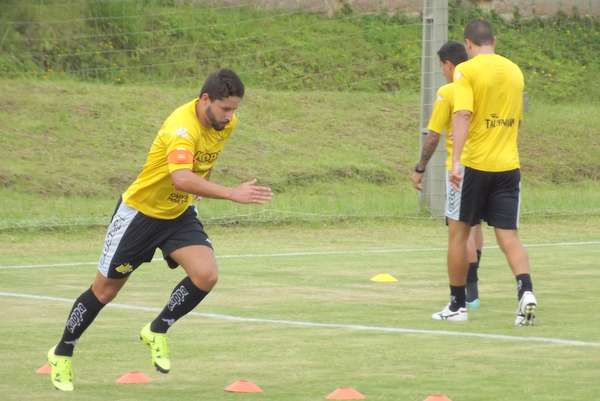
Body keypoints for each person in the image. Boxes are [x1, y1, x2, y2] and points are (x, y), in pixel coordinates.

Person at [47, 69, 273, 391]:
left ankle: (157, 329)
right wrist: (230, 193)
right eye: (225, 108)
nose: (230, 116)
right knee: (105, 291)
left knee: (206, 275)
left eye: (234, 109)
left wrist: (201, 185)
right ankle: (62, 352)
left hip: (178, 214)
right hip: (140, 216)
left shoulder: (225, 123)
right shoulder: (181, 128)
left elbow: (201, 163)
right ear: (205, 99)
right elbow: (181, 177)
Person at [434, 19, 537, 325]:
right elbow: (517, 119)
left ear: (468, 43)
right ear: (495, 40)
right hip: (508, 165)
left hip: (475, 165)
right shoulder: (515, 71)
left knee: (459, 233)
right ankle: (526, 291)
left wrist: (456, 163)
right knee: (509, 236)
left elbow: (463, 114)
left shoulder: (466, 70)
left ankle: (457, 304)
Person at [410, 41, 484, 317]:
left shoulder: (449, 91)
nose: (441, 71)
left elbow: (434, 136)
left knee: (460, 230)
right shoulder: (480, 86)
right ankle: (474, 288)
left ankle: (467, 294)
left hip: (460, 170)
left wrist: (420, 167)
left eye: (441, 66)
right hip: (487, 164)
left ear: (449, 65)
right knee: (476, 226)